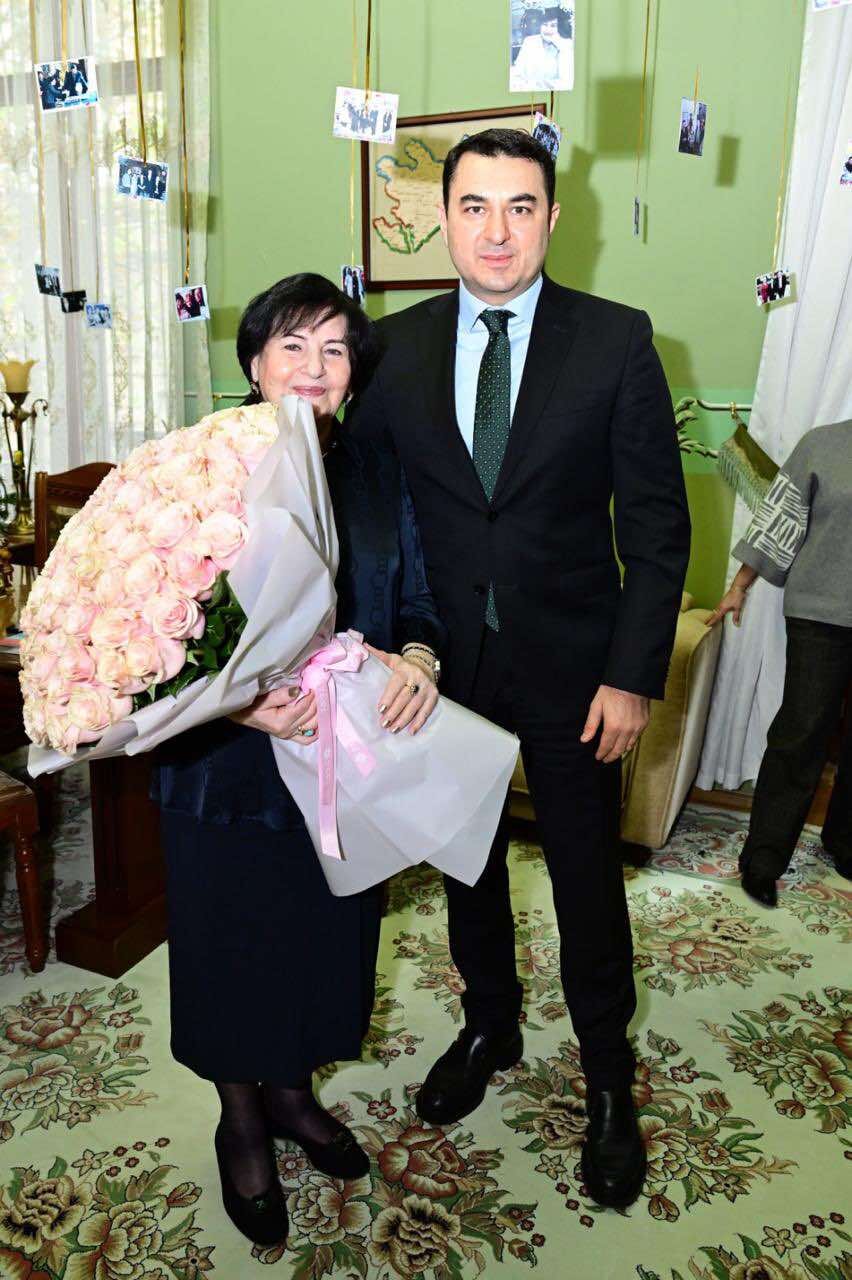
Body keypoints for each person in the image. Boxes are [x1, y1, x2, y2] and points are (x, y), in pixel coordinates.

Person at [347, 128, 690, 1209]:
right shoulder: (392, 349)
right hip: (441, 666)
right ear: (444, 219)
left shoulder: (617, 340)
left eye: (521, 206)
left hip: (577, 673)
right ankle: (490, 1022)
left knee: (587, 879)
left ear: (553, 217)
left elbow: (658, 527)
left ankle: (608, 1074)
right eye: (476, 206)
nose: (497, 231)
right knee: (467, 866)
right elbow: (369, 516)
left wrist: (633, 675)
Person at [152, 273, 444, 1245]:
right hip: (222, 769)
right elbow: (155, 630)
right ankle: (241, 1116)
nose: (315, 367)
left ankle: (291, 1092)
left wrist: (421, 658)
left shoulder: (377, 470)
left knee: (324, 945)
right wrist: (240, 705)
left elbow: (420, 599)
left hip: (341, 763)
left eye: (335, 348)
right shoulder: (201, 466)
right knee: (231, 947)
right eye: (293, 345)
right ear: (253, 362)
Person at [708, 421, 852, 906]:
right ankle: (763, 860)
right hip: (820, 615)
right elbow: (779, 520)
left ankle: (845, 841)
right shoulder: (822, 444)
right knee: (801, 733)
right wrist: (738, 587)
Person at [511, 6, 574, 91]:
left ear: (560, 28)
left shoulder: (566, 45)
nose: (548, 29)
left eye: (553, 26)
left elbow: (567, 82)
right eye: (545, 25)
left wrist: (560, 45)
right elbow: (517, 74)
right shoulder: (529, 41)